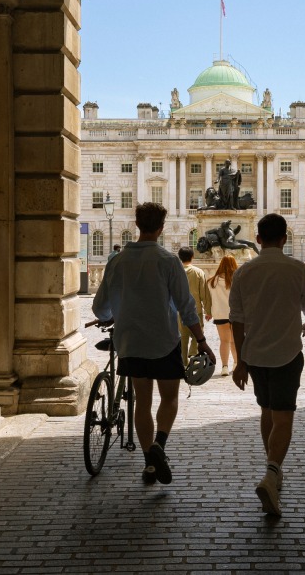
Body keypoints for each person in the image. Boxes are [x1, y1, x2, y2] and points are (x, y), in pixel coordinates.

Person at [92, 203, 213, 485]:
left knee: (142, 403)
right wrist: (201, 340)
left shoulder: (116, 261)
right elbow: (187, 307)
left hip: (130, 343)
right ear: (161, 228)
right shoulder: (168, 261)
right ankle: (159, 444)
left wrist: (113, 316)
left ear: (136, 224)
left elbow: (101, 308)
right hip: (164, 342)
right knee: (169, 398)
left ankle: (148, 462)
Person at [229, 213, 305, 517]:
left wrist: (240, 362)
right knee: (283, 417)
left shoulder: (244, 272)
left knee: (267, 411)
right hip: (287, 354)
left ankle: (273, 469)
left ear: (257, 239)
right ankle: (271, 473)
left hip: (255, 357)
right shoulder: (297, 269)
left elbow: (237, 321)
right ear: (284, 238)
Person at [177, 246, 212, 367]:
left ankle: (183, 361)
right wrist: (208, 310)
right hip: (195, 309)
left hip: (178, 310)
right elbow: (204, 293)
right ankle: (192, 354)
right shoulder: (198, 272)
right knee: (198, 334)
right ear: (192, 257)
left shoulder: (176, 271)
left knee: (182, 337)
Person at [206, 254, 239, 375]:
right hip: (236, 314)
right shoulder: (238, 280)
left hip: (220, 314)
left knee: (224, 341)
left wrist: (208, 312)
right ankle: (236, 364)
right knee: (234, 341)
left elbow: (208, 299)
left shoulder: (212, 281)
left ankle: (224, 366)